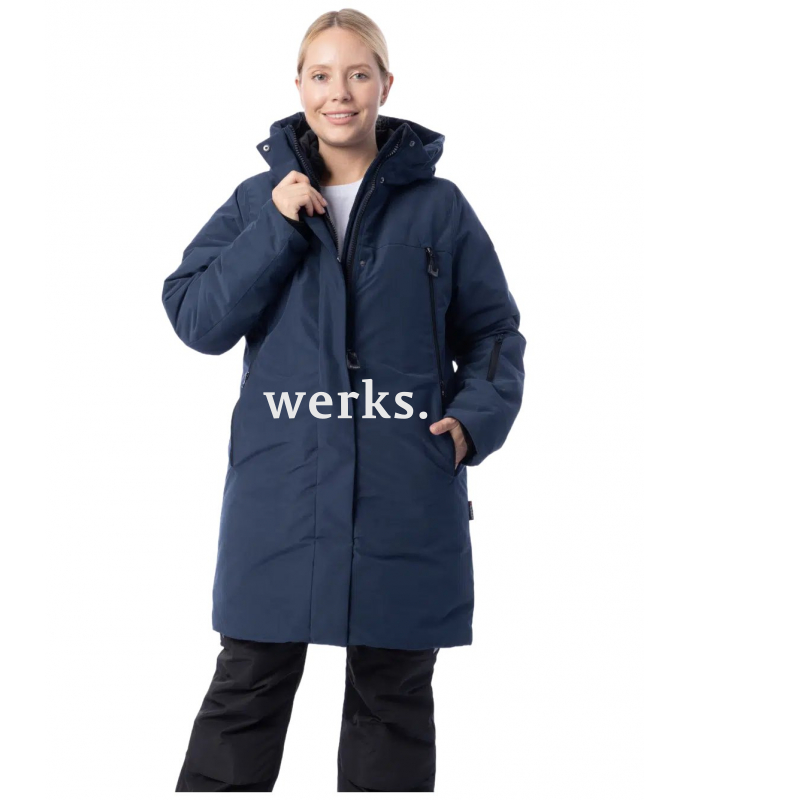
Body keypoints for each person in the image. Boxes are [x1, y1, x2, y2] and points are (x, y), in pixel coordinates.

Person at [161, 8, 526, 792]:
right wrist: (274, 225)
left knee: (392, 699)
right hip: (283, 490)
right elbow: (195, 319)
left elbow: (494, 330)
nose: (340, 93)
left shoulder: (440, 208)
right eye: (322, 75)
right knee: (248, 684)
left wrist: (470, 423)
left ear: (386, 85)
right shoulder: (257, 200)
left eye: (358, 74)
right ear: (298, 87)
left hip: (404, 485)